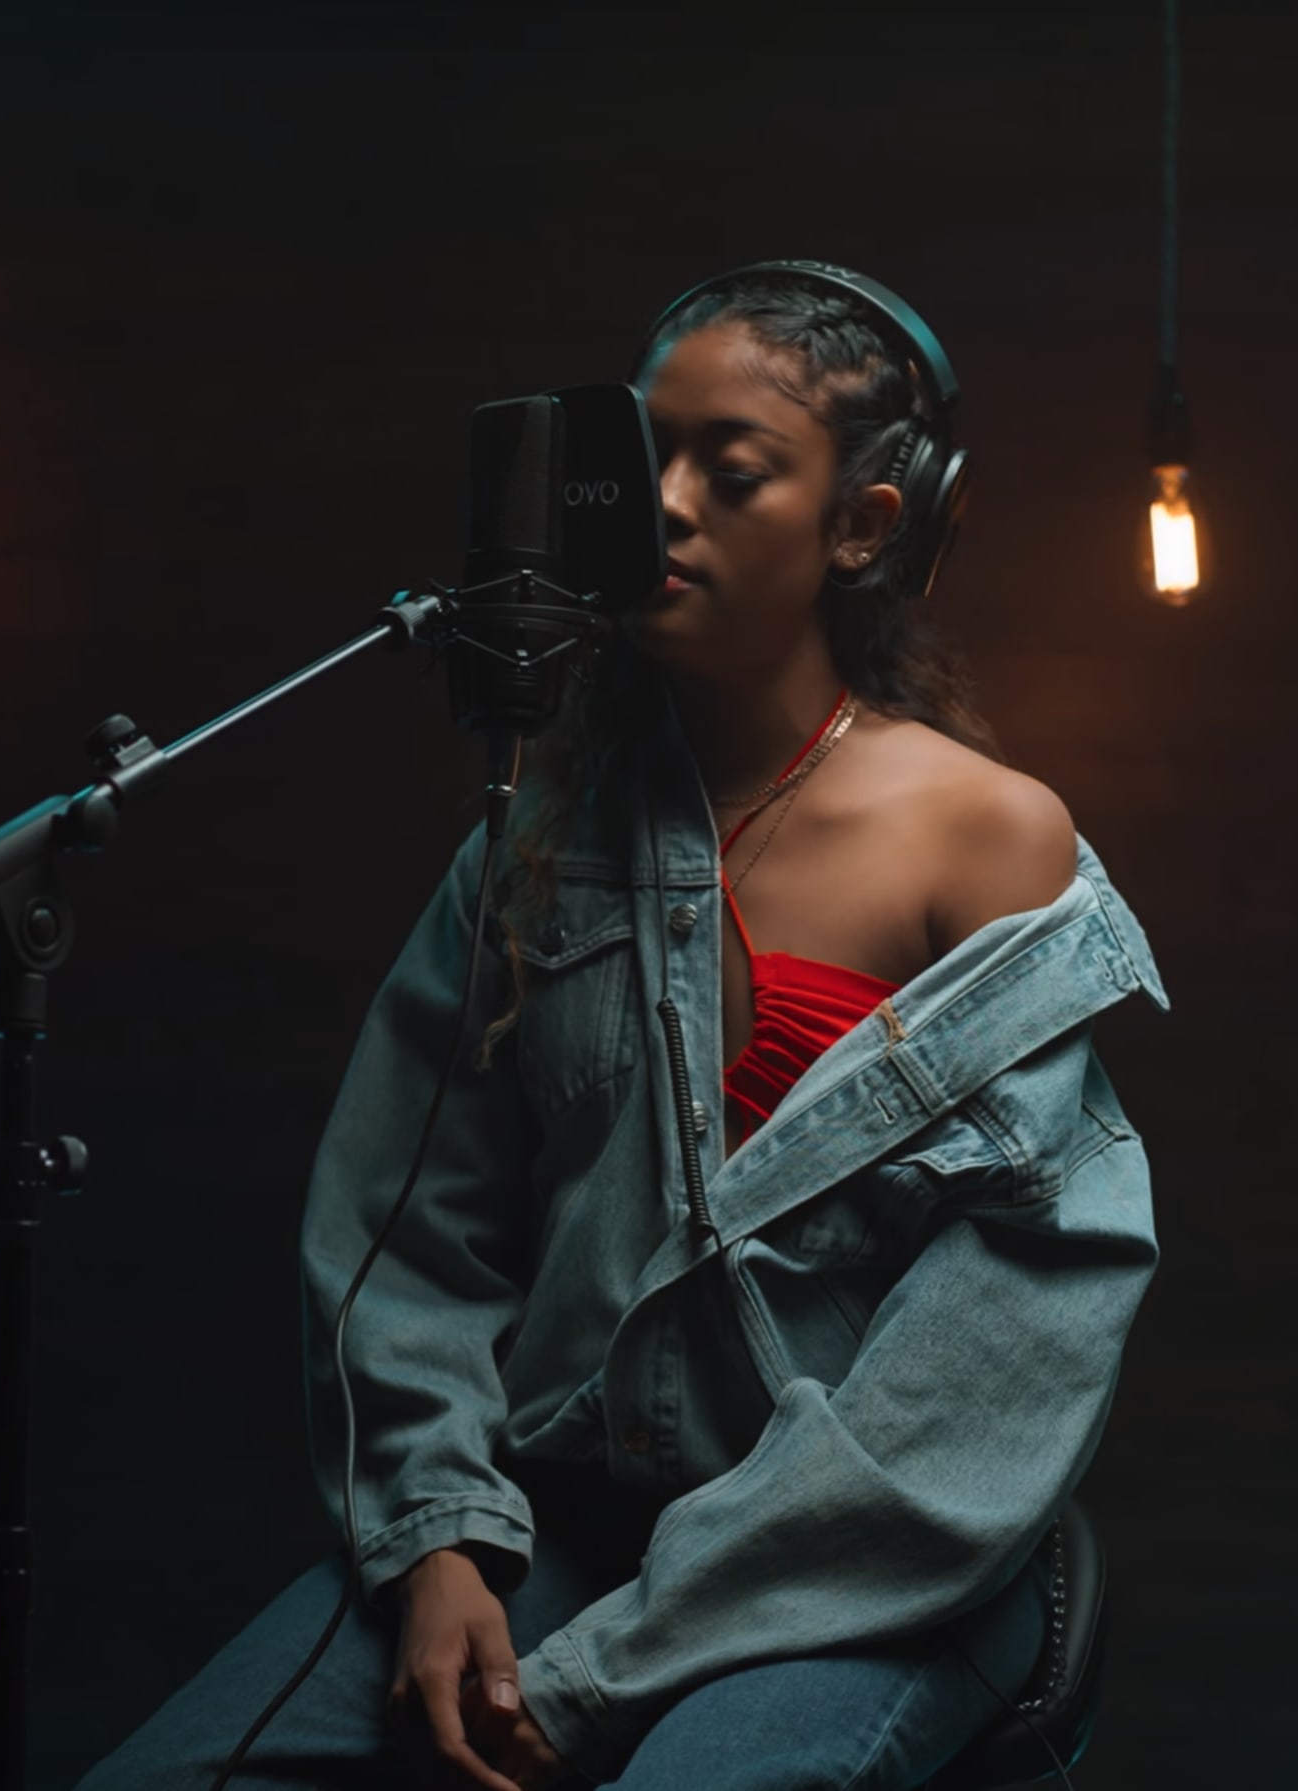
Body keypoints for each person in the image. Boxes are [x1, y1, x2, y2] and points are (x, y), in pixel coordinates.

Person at [70, 262, 1167, 1791]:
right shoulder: (534, 838)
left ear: (865, 524)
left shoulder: (986, 838)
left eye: (731, 472)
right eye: (640, 458)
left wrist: (595, 1674)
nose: (661, 505)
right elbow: (410, 1240)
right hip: (555, 1532)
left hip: (872, 1571)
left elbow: (996, 1359)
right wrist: (440, 1543)